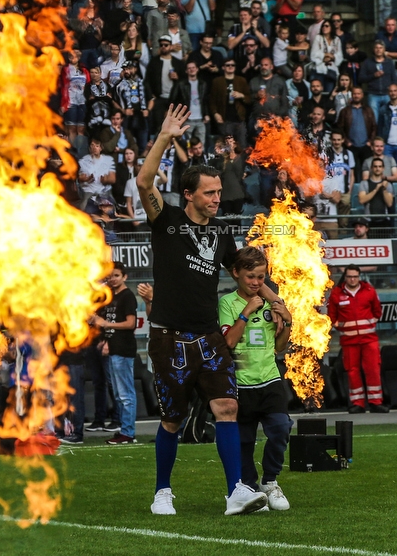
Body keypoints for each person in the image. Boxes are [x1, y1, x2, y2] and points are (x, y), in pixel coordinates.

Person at [136, 104, 269, 516]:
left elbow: (247, 273)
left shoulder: (223, 233)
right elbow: (143, 181)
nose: (216, 198)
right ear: (190, 193)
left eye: (218, 191)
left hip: (209, 335)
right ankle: (162, 491)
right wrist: (164, 137)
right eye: (209, 193)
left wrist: (275, 298)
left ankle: (236, 493)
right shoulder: (169, 221)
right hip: (169, 335)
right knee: (173, 418)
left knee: (226, 407)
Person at [220, 246, 293, 511]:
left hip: (270, 378)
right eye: (250, 276)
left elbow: (280, 347)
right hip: (240, 382)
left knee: (281, 429)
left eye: (261, 277)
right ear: (236, 274)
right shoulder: (227, 303)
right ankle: (249, 487)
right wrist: (246, 311)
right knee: (244, 441)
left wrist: (287, 322)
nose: (256, 282)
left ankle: (270, 481)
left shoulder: (271, 303)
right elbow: (229, 340)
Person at [327, 265, 387, 414]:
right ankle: (357, 403)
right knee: (352, 372)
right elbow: (332, 317)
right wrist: (343, 327)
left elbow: (377, 312)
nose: (352, 279)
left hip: (369, 339)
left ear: (359, 277)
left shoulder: (369, 291)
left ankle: (375, 402)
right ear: (345, 277)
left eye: (355, 276)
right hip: (349, 341)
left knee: (372, 370)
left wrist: (369, 323)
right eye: (349, 277)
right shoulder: (336, 293)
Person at [92, 262, 138, 445]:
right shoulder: (111, 297)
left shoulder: (127, 296)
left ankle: (128, 432)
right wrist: (105, 340)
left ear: (125, 277)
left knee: (126, 394)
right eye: (110, 276)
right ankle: (124, 430)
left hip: (124, 350)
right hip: (113, 350)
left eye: (117, 275)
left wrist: (105, 324)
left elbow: (130, 324)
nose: (112, 278)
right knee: (119, 395)